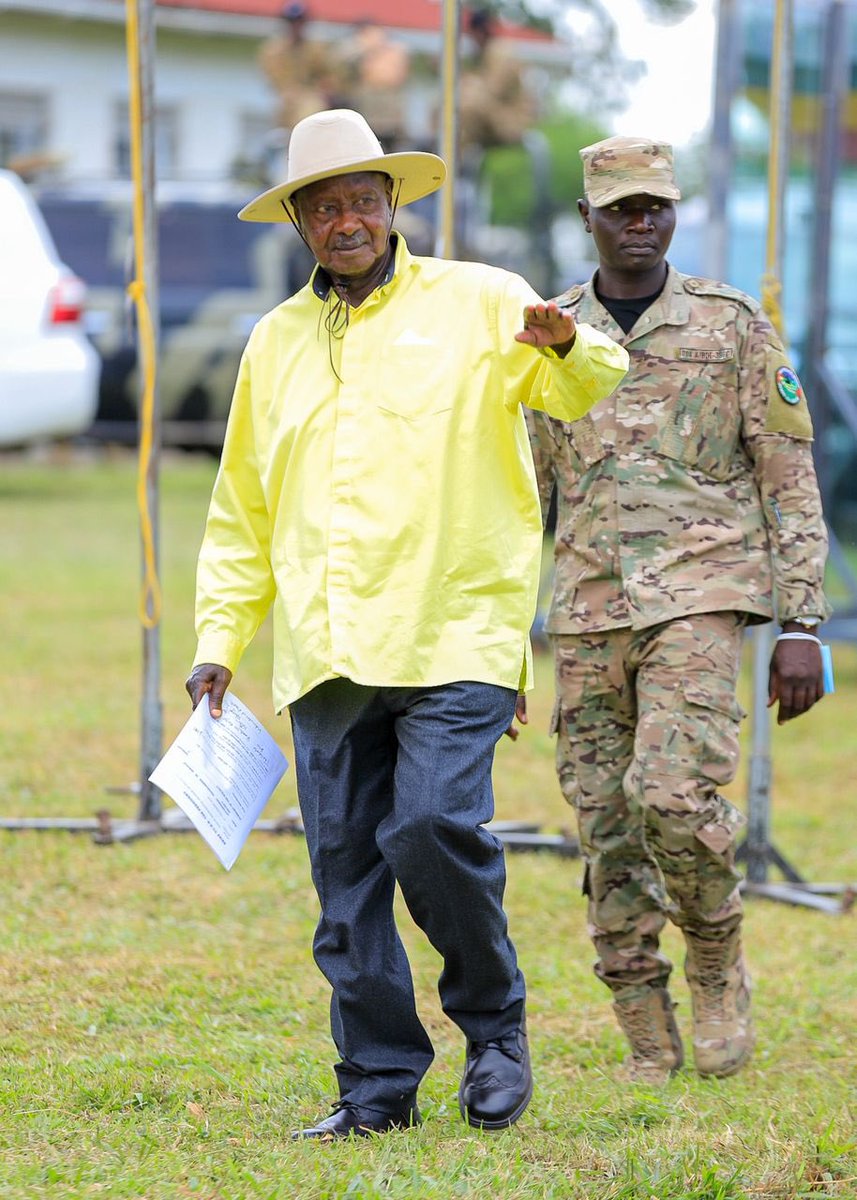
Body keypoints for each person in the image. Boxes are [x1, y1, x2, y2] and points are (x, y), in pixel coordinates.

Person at [186, 109, 629, 1140]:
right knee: (346, 886)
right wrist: (218, 642)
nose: (346, 219)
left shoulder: (481, 299)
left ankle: (494, 1026)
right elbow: (241, 505)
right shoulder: (274, 342)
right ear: (299, 222)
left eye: (362, 200)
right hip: (326, 645)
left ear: (393, 206)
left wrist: (567, 344)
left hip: (455, 627)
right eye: (324, 205)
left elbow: (582, 383)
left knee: (429, 827)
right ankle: (377, 1087)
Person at [527, 135, 831, 1086]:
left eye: (654, 205)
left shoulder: (730, 323)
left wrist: (800, 624)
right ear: (587, 218)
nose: (639, 222)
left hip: (701, 594)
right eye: (619, 207)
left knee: (671, 795)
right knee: (605, 824)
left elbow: (787, 476)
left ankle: (713, 957)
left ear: (675, 213)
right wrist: (494, 646)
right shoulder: (545, 331)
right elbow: (519, 499)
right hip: (583, 608)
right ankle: (642, 1024)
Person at [458, 8, 536, 156]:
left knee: (467, 101)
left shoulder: (501, 51)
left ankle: (454, 164)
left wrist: (469, 82)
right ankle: (452, 159)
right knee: (454, 104)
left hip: (511, 122)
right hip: (492, 119)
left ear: (479, 32)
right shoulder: (485, 53)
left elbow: (494, 89)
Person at [257, 2, 345, 133]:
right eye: (292, 22)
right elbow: (277, 80)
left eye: (299, 21)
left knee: (311, 112)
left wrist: (326, 92)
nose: (296, 26)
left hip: (312, 99)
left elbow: (331, 76)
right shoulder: (274, 51)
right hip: (288, 102)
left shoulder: (316, 49)